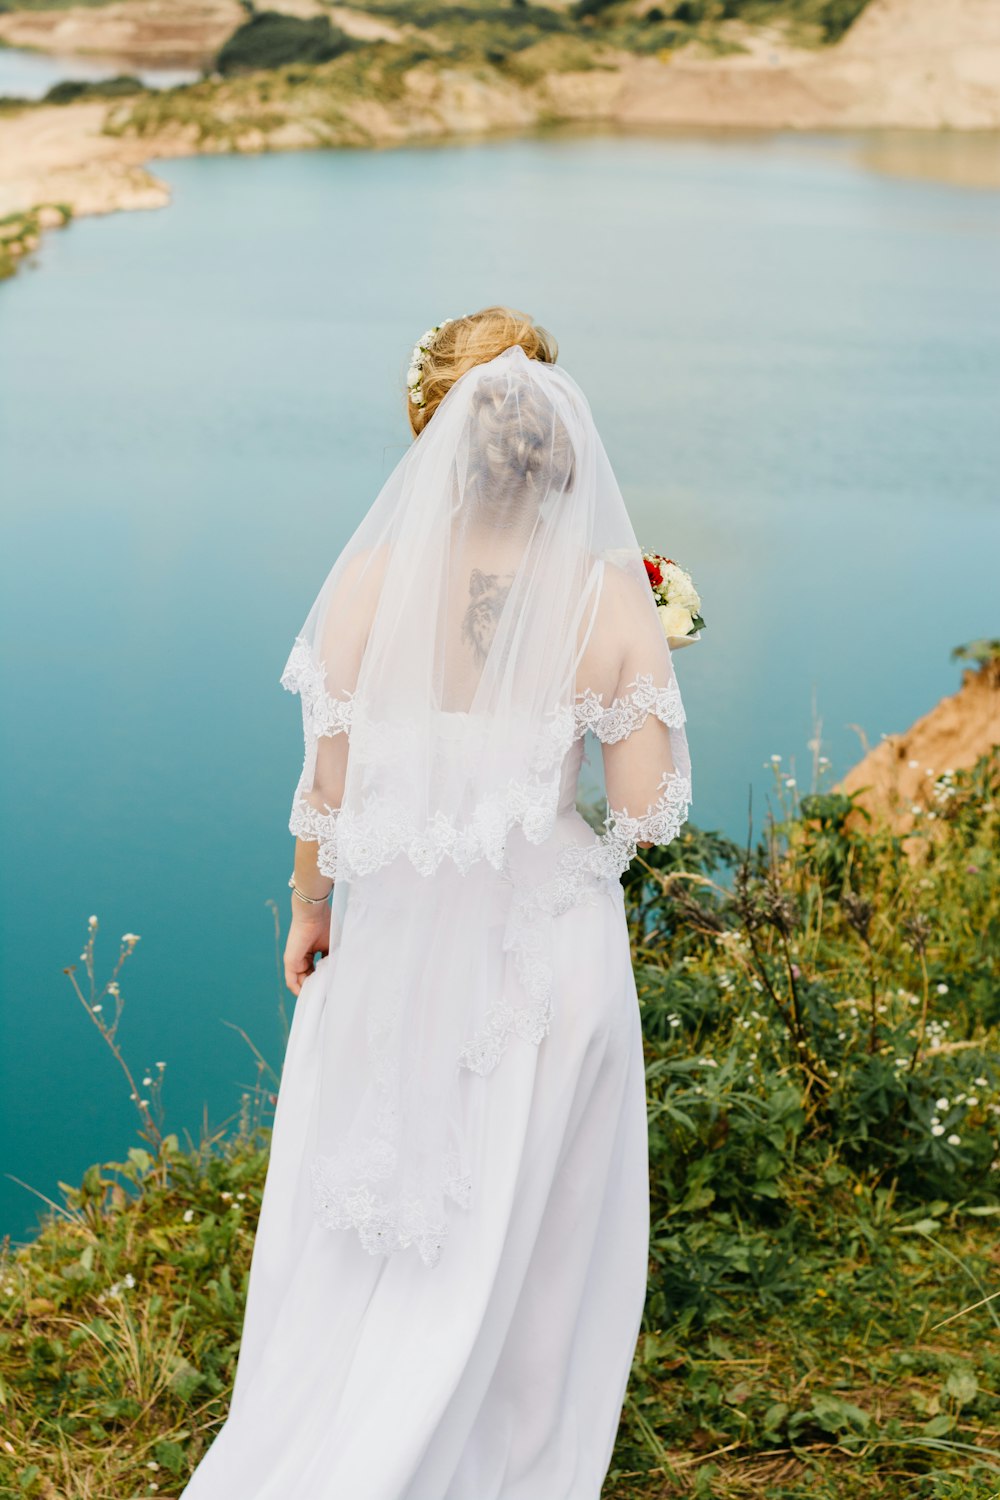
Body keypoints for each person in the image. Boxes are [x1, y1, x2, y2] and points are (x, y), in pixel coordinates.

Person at [180, 305, 691, 1500]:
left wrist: (311, 913)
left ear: (434, 434)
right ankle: (501, 1452)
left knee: (363, 1219)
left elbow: (326, 791)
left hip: (400, 938)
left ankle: (339, 1427)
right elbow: (642, 808)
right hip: (542, 951)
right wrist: (655, 653)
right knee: (539, 1226)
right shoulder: (608, 598)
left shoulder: (362, 585)